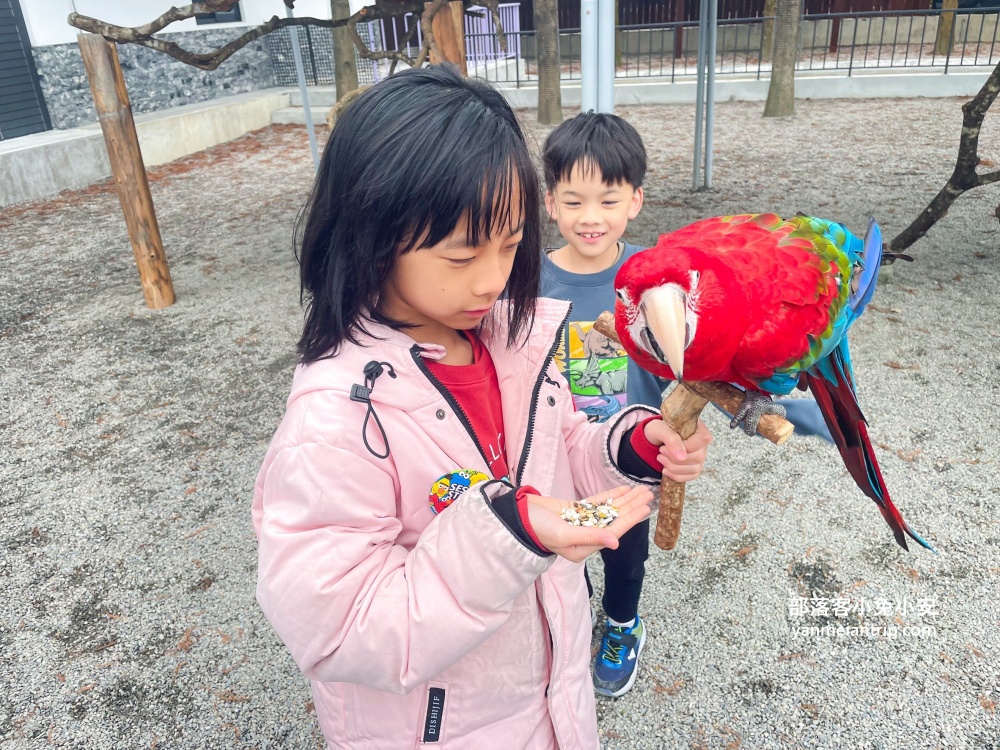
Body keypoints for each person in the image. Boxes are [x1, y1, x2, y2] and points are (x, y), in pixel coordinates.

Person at [251, 65, 712, 750]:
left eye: (509, 244)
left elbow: (563, 448)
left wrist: (627, 447)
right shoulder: (336, 423)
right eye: (464, 253)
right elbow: (339, 629)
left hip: (553, 705)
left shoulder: (512, 341)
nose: (495, 278)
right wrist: (512, 531)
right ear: (370, 236)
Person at [540, 112, 833, 699]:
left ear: (636, 200)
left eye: (608, 198)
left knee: (624, 551)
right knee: (560, 552)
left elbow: (712, 371)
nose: (590, 217)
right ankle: (569, 622)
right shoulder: (528, 281)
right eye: (573, 201)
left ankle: (623, 626)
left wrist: (814, 418)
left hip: (638, 456)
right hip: (555, 455)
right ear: (550, 203)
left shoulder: (666, 281)